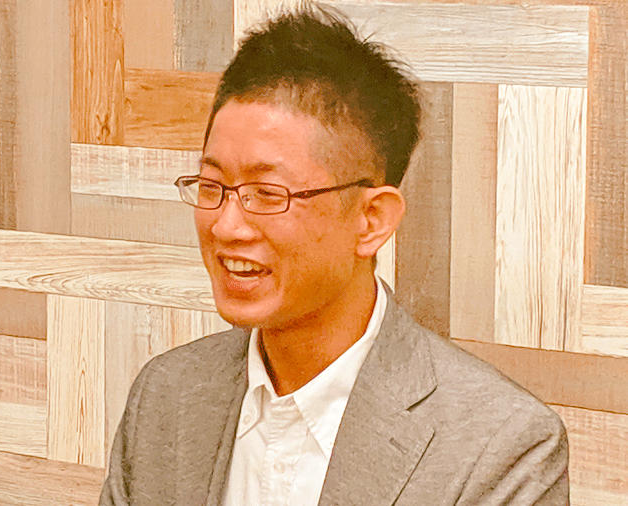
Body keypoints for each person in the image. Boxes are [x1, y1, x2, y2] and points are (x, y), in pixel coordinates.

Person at [99, 4, 568, 505]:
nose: (226, 226)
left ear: (371, 220)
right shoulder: (165, 394)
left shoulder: (502, 445)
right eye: (213, 186)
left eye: (267, 194)